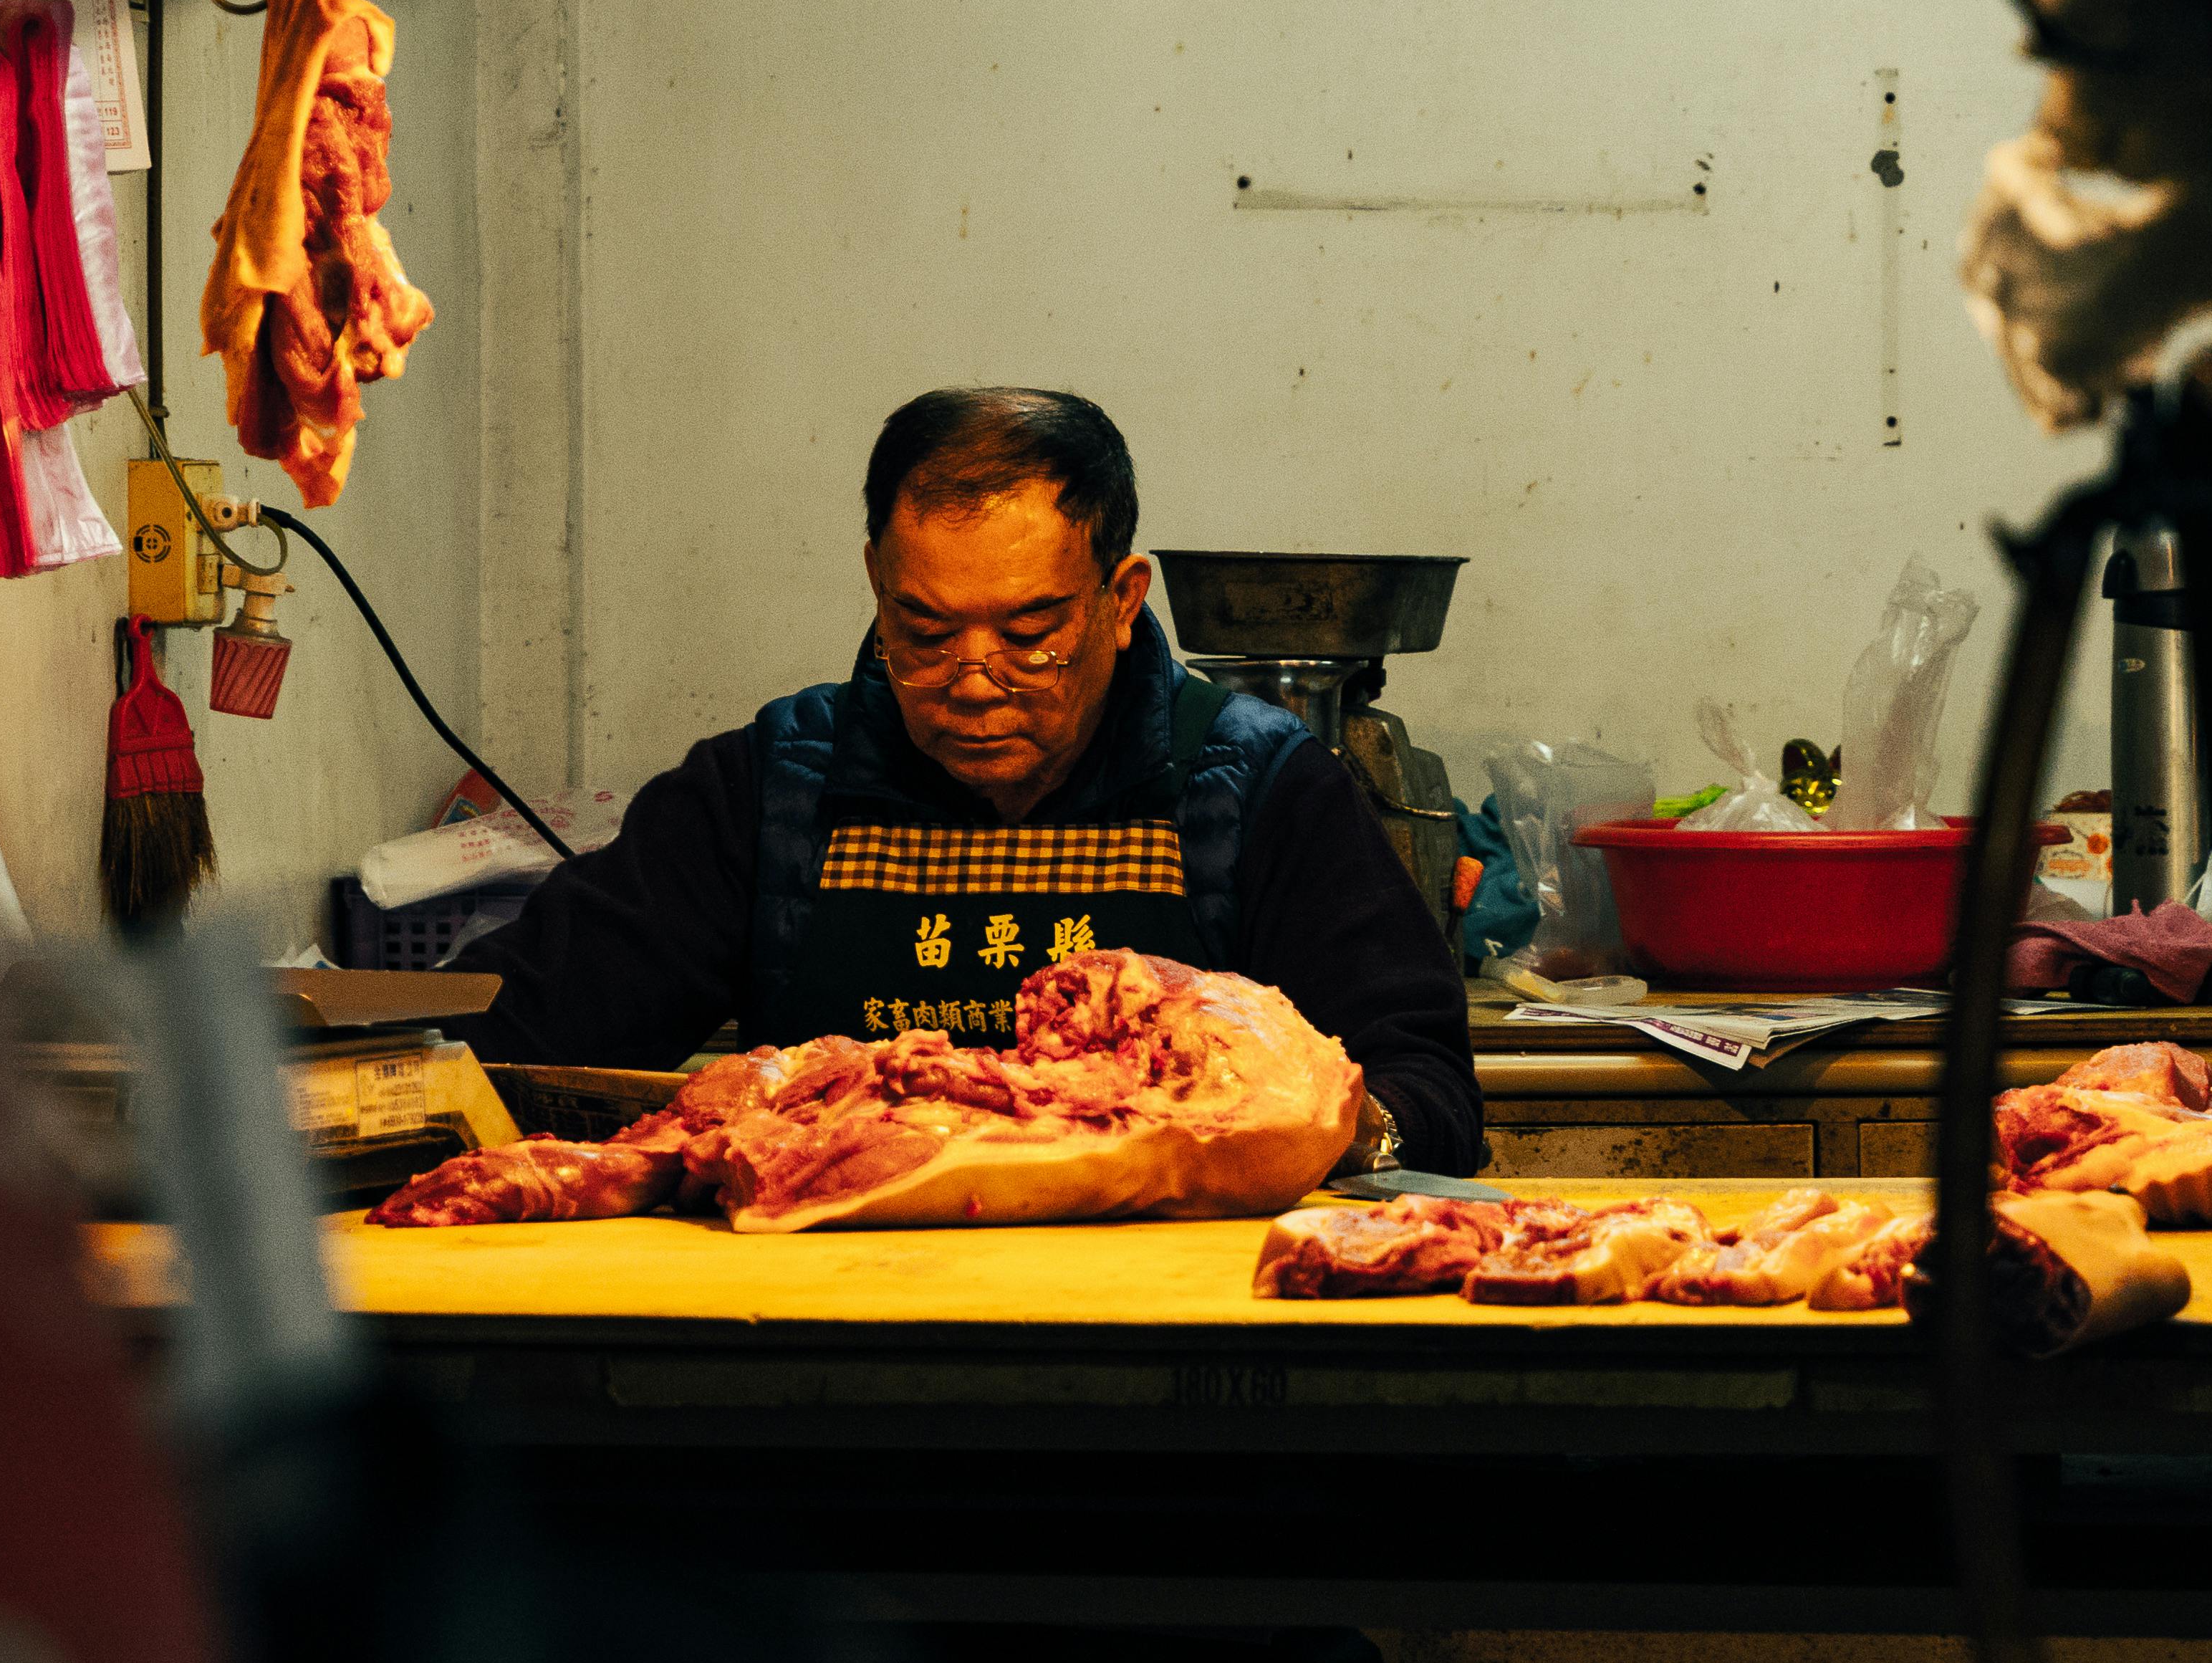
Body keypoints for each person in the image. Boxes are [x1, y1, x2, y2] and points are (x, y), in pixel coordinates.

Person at [453, 389, 1487, 1175]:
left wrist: (1332, 1123)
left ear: (1121, 601)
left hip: (1161, 1326)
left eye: (1032, 636)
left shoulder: (1256, 787)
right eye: (926, 633)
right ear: (876, 584)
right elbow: (507, 1038)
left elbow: (1429, 1088)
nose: (975, 684)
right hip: (836, 1323)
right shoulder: (775, 788)